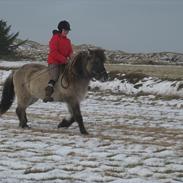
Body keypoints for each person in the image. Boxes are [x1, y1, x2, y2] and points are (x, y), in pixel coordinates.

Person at [43, 20, 73, 102]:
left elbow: (70, 51)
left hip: (64, 62)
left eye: (67, 31)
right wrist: (64, 59)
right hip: (54, 62)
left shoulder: (68, 41)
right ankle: (48, 94)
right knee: (55, 76)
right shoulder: (55, 38)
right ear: (60, 30)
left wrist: (72, 57)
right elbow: (54, 52)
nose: (66, 32)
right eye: (65, 30)